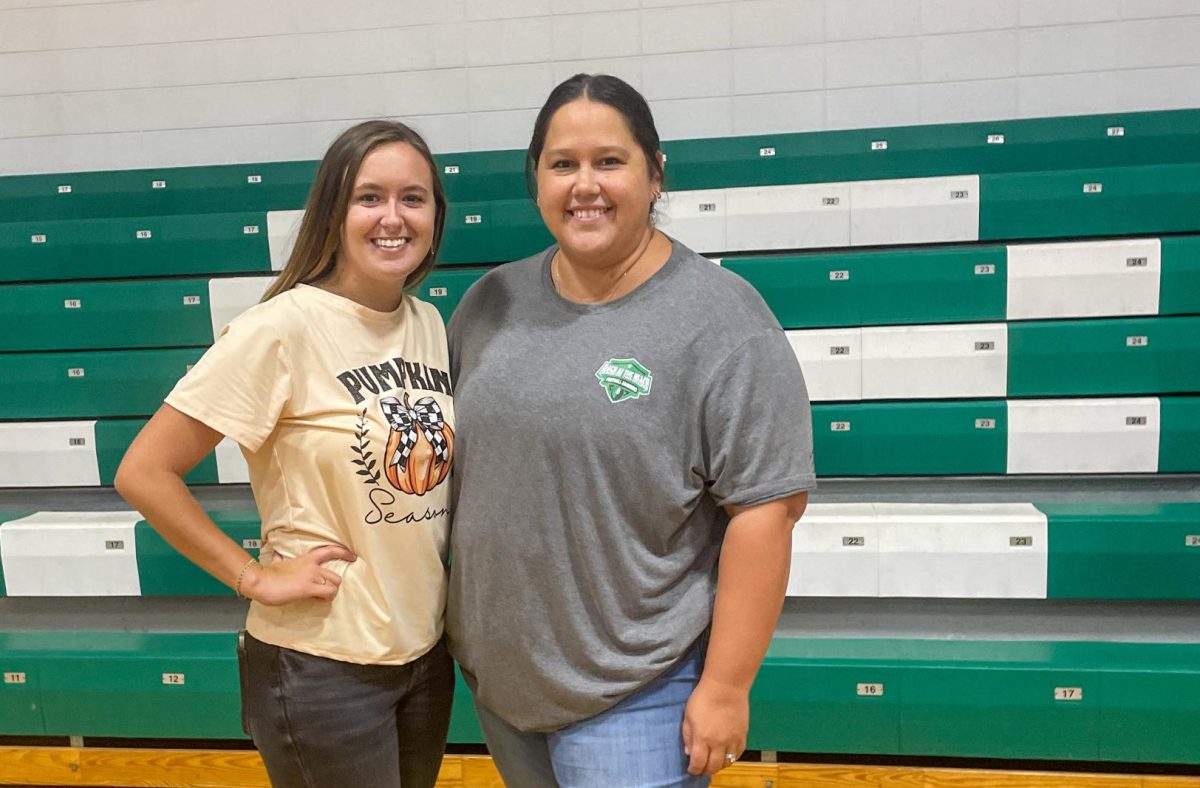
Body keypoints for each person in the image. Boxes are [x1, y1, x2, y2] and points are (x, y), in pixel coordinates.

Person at [446, 74, 816, 787]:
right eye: (563, 164)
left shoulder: (722, 319)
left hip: (639, 693)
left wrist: (727, 686)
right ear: (538, 180)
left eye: (608, 161)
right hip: (503, 685)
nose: (584, 184)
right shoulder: (489, 302)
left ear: (655, 174)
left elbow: (766, 513)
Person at [115, 120, 456, 788]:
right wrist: (252, 576)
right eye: (370, 197)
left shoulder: (428, 323)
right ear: (334, 211)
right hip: (321, 666)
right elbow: (144, 472)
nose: (394, 217)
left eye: (413, 198)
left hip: (422, 655)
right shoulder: (279, 328)